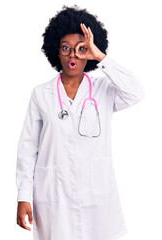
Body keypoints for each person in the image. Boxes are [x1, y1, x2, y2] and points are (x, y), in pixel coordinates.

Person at [16, 5, 144, 240]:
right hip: (55, 198)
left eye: (81, 49)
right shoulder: (41, 94)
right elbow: (27, 149)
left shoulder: (104, 90)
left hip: (96, 199)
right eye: (66, 48)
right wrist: (23, 196)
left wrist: (100, 56)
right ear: (57, 51)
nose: (73, 55)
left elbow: (135, 92)